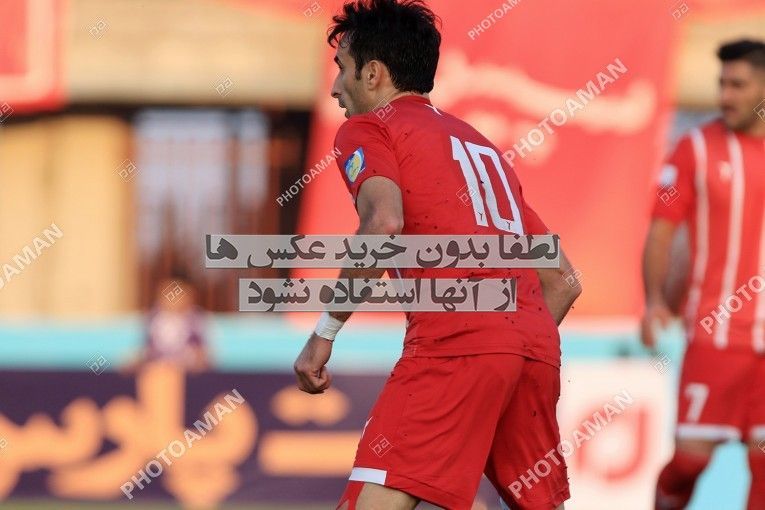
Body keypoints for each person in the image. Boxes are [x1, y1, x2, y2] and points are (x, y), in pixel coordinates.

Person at [292, 1, 581, 508]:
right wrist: (508, 349)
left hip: (455, 346)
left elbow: (383, 223)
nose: (335, 87)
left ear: (373, 74)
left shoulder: (370, 128)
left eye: (342, 68)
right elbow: (563, 280)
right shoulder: (482, 148)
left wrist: (324, 333)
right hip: (534, 351)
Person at [641, 39, 765, 509]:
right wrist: (655, 300)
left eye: (738, 85)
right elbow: (661, 229)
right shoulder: (694, 148)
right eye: (722, 84)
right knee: (690, 462)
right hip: (715, 334)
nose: (725, 96)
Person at [124, 270, 211, 374]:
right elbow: (144, 351)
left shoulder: (196, 321)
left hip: (186, 372)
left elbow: (202, 356)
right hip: (156, 372)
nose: (172, 298)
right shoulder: (153, 319)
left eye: (178, 293)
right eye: (167, 292)